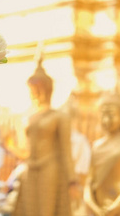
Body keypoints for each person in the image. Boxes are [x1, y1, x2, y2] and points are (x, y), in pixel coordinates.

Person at [13, 58, 76, 216]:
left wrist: (72, 180)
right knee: (28, 209)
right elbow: (24, 150)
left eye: (39, 89)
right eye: (32, 89)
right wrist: (12, 147)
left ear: (48, 90)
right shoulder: (27, 117)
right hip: (29, 169)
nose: (35, 93)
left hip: (50, 168)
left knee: (45, 210)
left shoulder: (59, 117)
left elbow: (66, 150)